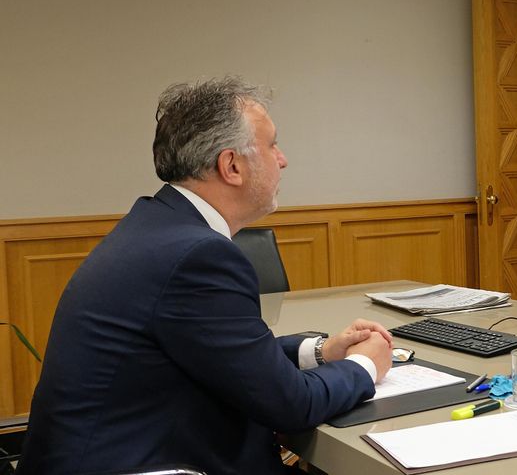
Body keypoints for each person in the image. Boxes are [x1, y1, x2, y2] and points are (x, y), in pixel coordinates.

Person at [17, 78, 394, 475]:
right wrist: (365, 365)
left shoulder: (156, 224)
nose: (282, 159)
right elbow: (291, 406)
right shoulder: (198, 255)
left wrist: (321, 351)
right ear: (231, 166)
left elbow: (225, 355)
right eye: (272, 145)